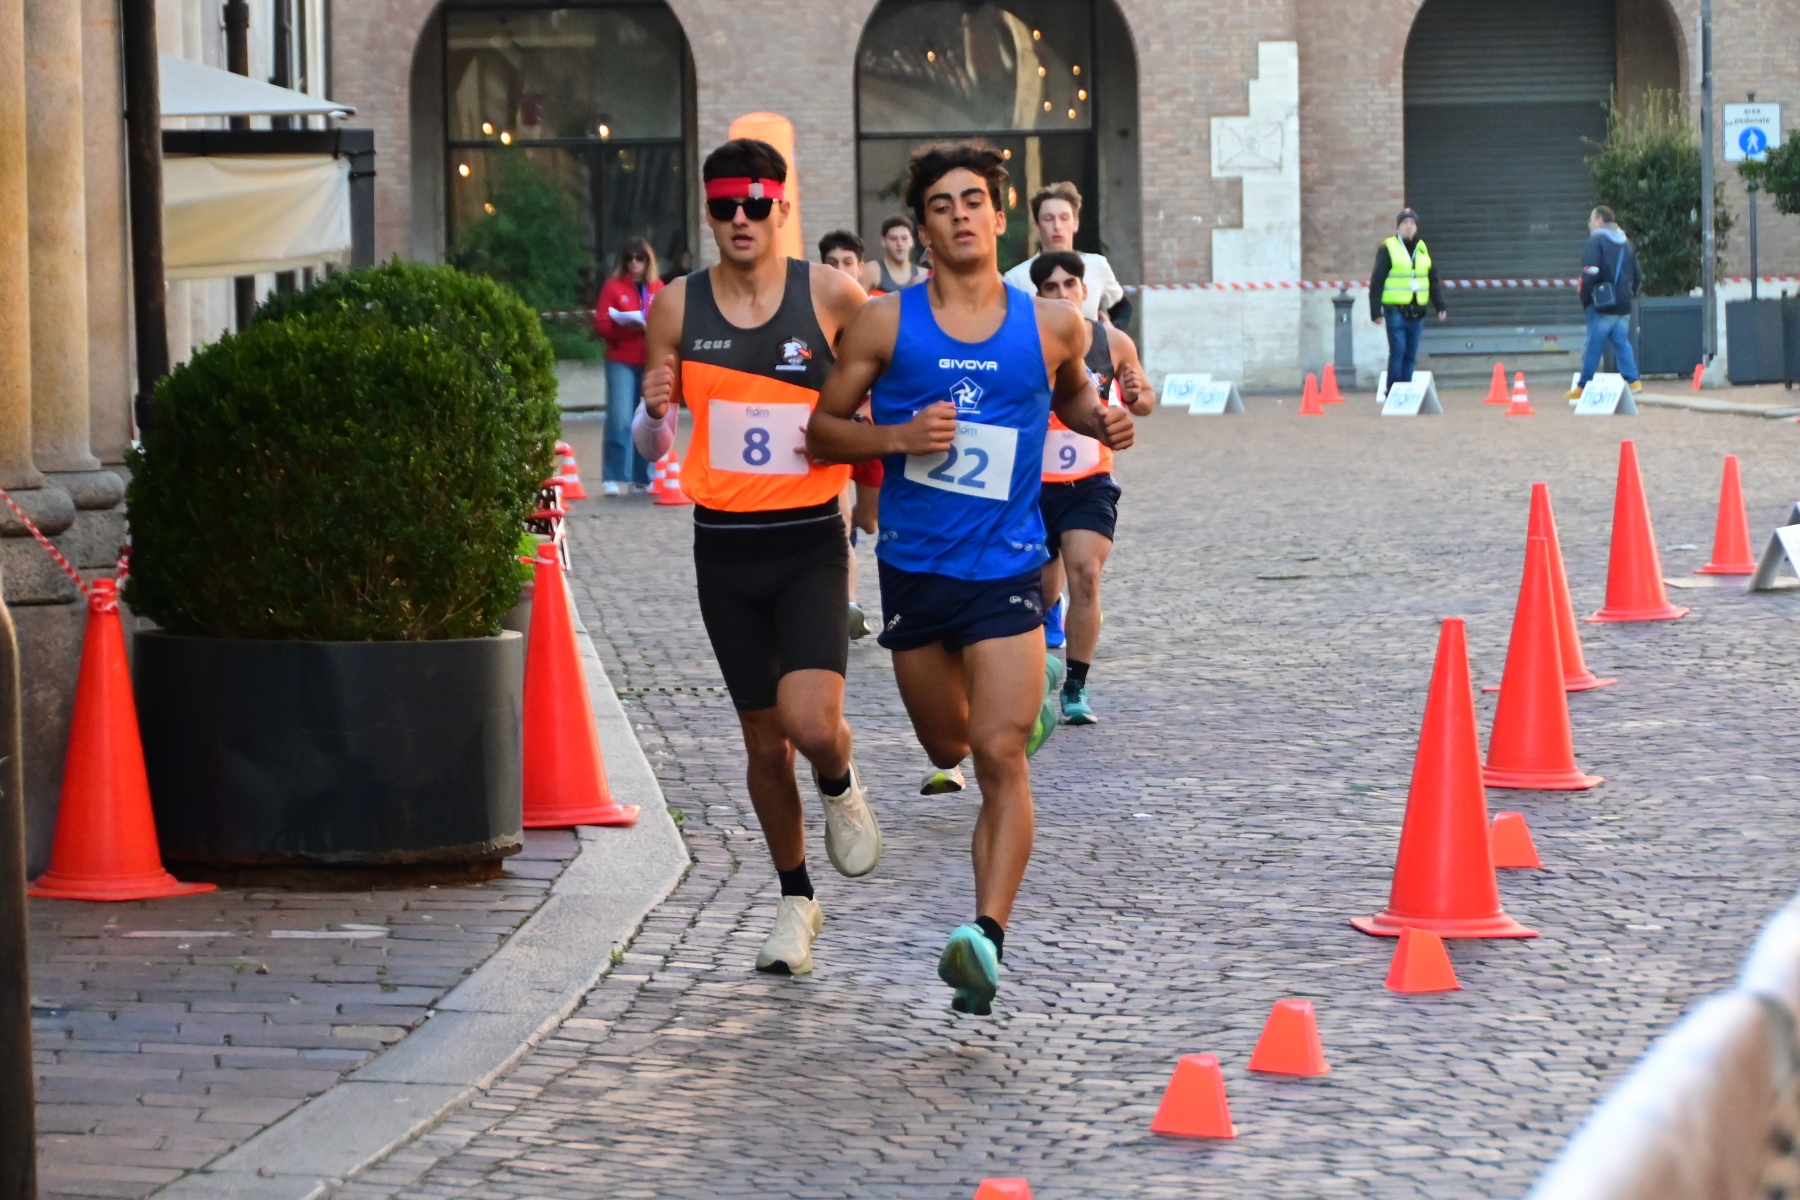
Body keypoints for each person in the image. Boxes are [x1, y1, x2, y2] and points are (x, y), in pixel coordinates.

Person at [808, 142, 1135, 1016]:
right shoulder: (883, 324)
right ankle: (1015, 718)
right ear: (923, 227)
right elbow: (822, 432)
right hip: (915, 571)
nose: (959, 215)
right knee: (946, 746)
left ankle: (985, 938)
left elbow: (1071, 396)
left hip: (1007, 568)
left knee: (997, 754)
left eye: (974, 201)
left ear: (999, 216)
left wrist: (1102, 420)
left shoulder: (1051, 324)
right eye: (941, 205)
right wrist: (897, 438)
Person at [634, 140, 881, 979]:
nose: (739, 218)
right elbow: (652, 443)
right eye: (723, 206)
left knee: (811, 724)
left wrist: (875, 482)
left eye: (754, 202)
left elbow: (878, 390)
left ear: (781, 205)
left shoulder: (832, 295)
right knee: (765, 745)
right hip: (725, 549)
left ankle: (840, 781)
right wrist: (654, 414)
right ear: (708, 212)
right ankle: (795, 899)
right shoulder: (677, 305)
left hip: (810, 540)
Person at [1029, 252, 1152, 725]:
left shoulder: (1112, 341)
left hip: (1089, 482)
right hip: (1033, 487)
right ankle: (1029, 673)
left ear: (1085, 291)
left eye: (1070, 285)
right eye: (1051, 287)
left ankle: (1075, 686)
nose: (1062, 294)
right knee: (1040, 593)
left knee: (1086, 575)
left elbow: (1144, 401)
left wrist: (1137, 394)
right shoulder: (1024, 341)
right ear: (1039, 296)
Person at [818, 229, 883, 640]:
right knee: (840, 517)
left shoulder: (879, 315)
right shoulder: (813, 315)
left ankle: (849, 539)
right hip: (835, 429)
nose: (840, 271)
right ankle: (849, 604)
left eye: (847, 263)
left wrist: (868, 413)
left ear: (860, 268)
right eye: (831, 264)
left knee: (869, 520)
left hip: (874, 431)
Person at [1001, 182, 1127, 326]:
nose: (1057, 226)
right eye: (1048, 219)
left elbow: (1122, 307)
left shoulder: (1097, 265)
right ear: (1037, 226)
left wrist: (1112, 330)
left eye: (1064, 218)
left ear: (1075, 223)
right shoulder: (1015, 279)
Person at [593, 238, 662, 494]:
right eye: (629, 258)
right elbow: (601, 325)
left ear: (648, 261)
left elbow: (669, 321)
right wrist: (628, 329)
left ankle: (641, 477)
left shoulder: (658, 288)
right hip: (621, 359)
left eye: (639, 258)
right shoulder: (613, 287)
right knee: (620, 417)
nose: (634, 263)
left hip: (651, 360)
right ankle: (613, 475)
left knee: (647, 419)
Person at [1369, 208, 1448, 390]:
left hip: (1417, 309)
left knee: (1411, 353)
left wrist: (1440, 306)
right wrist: (1375, 310)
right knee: (1398, 350)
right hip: (1395, 308)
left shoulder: (1422, 249)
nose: (1409, 226)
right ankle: (1393, 391)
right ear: (1398, 226)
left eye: (1412, 223)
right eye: (1405, 222)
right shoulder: (1389, 248)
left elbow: (1432, 280)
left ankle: (1405, 390)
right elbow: (1377, 280)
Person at [1571, 205, 1644, 398]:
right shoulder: (1626, 242)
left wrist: (1584, 295)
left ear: (1600, 220)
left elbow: (1591, 271)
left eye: (1591, 219)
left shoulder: (1596, 240)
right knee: (1621, 343)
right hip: (1623, 304)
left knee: (1594, 344)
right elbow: (1637, 275)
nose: (1589, 223)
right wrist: (1630, 293)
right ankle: (1633, 380)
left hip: (1603, 302)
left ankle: (1583, 385)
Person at [860, 214, 929, 295]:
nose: (899, 243)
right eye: (893, 239)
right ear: (883, 241)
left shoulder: (924, 275)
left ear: (911, 241)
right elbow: (854, 301)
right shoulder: (872, 271)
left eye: (904, 238)